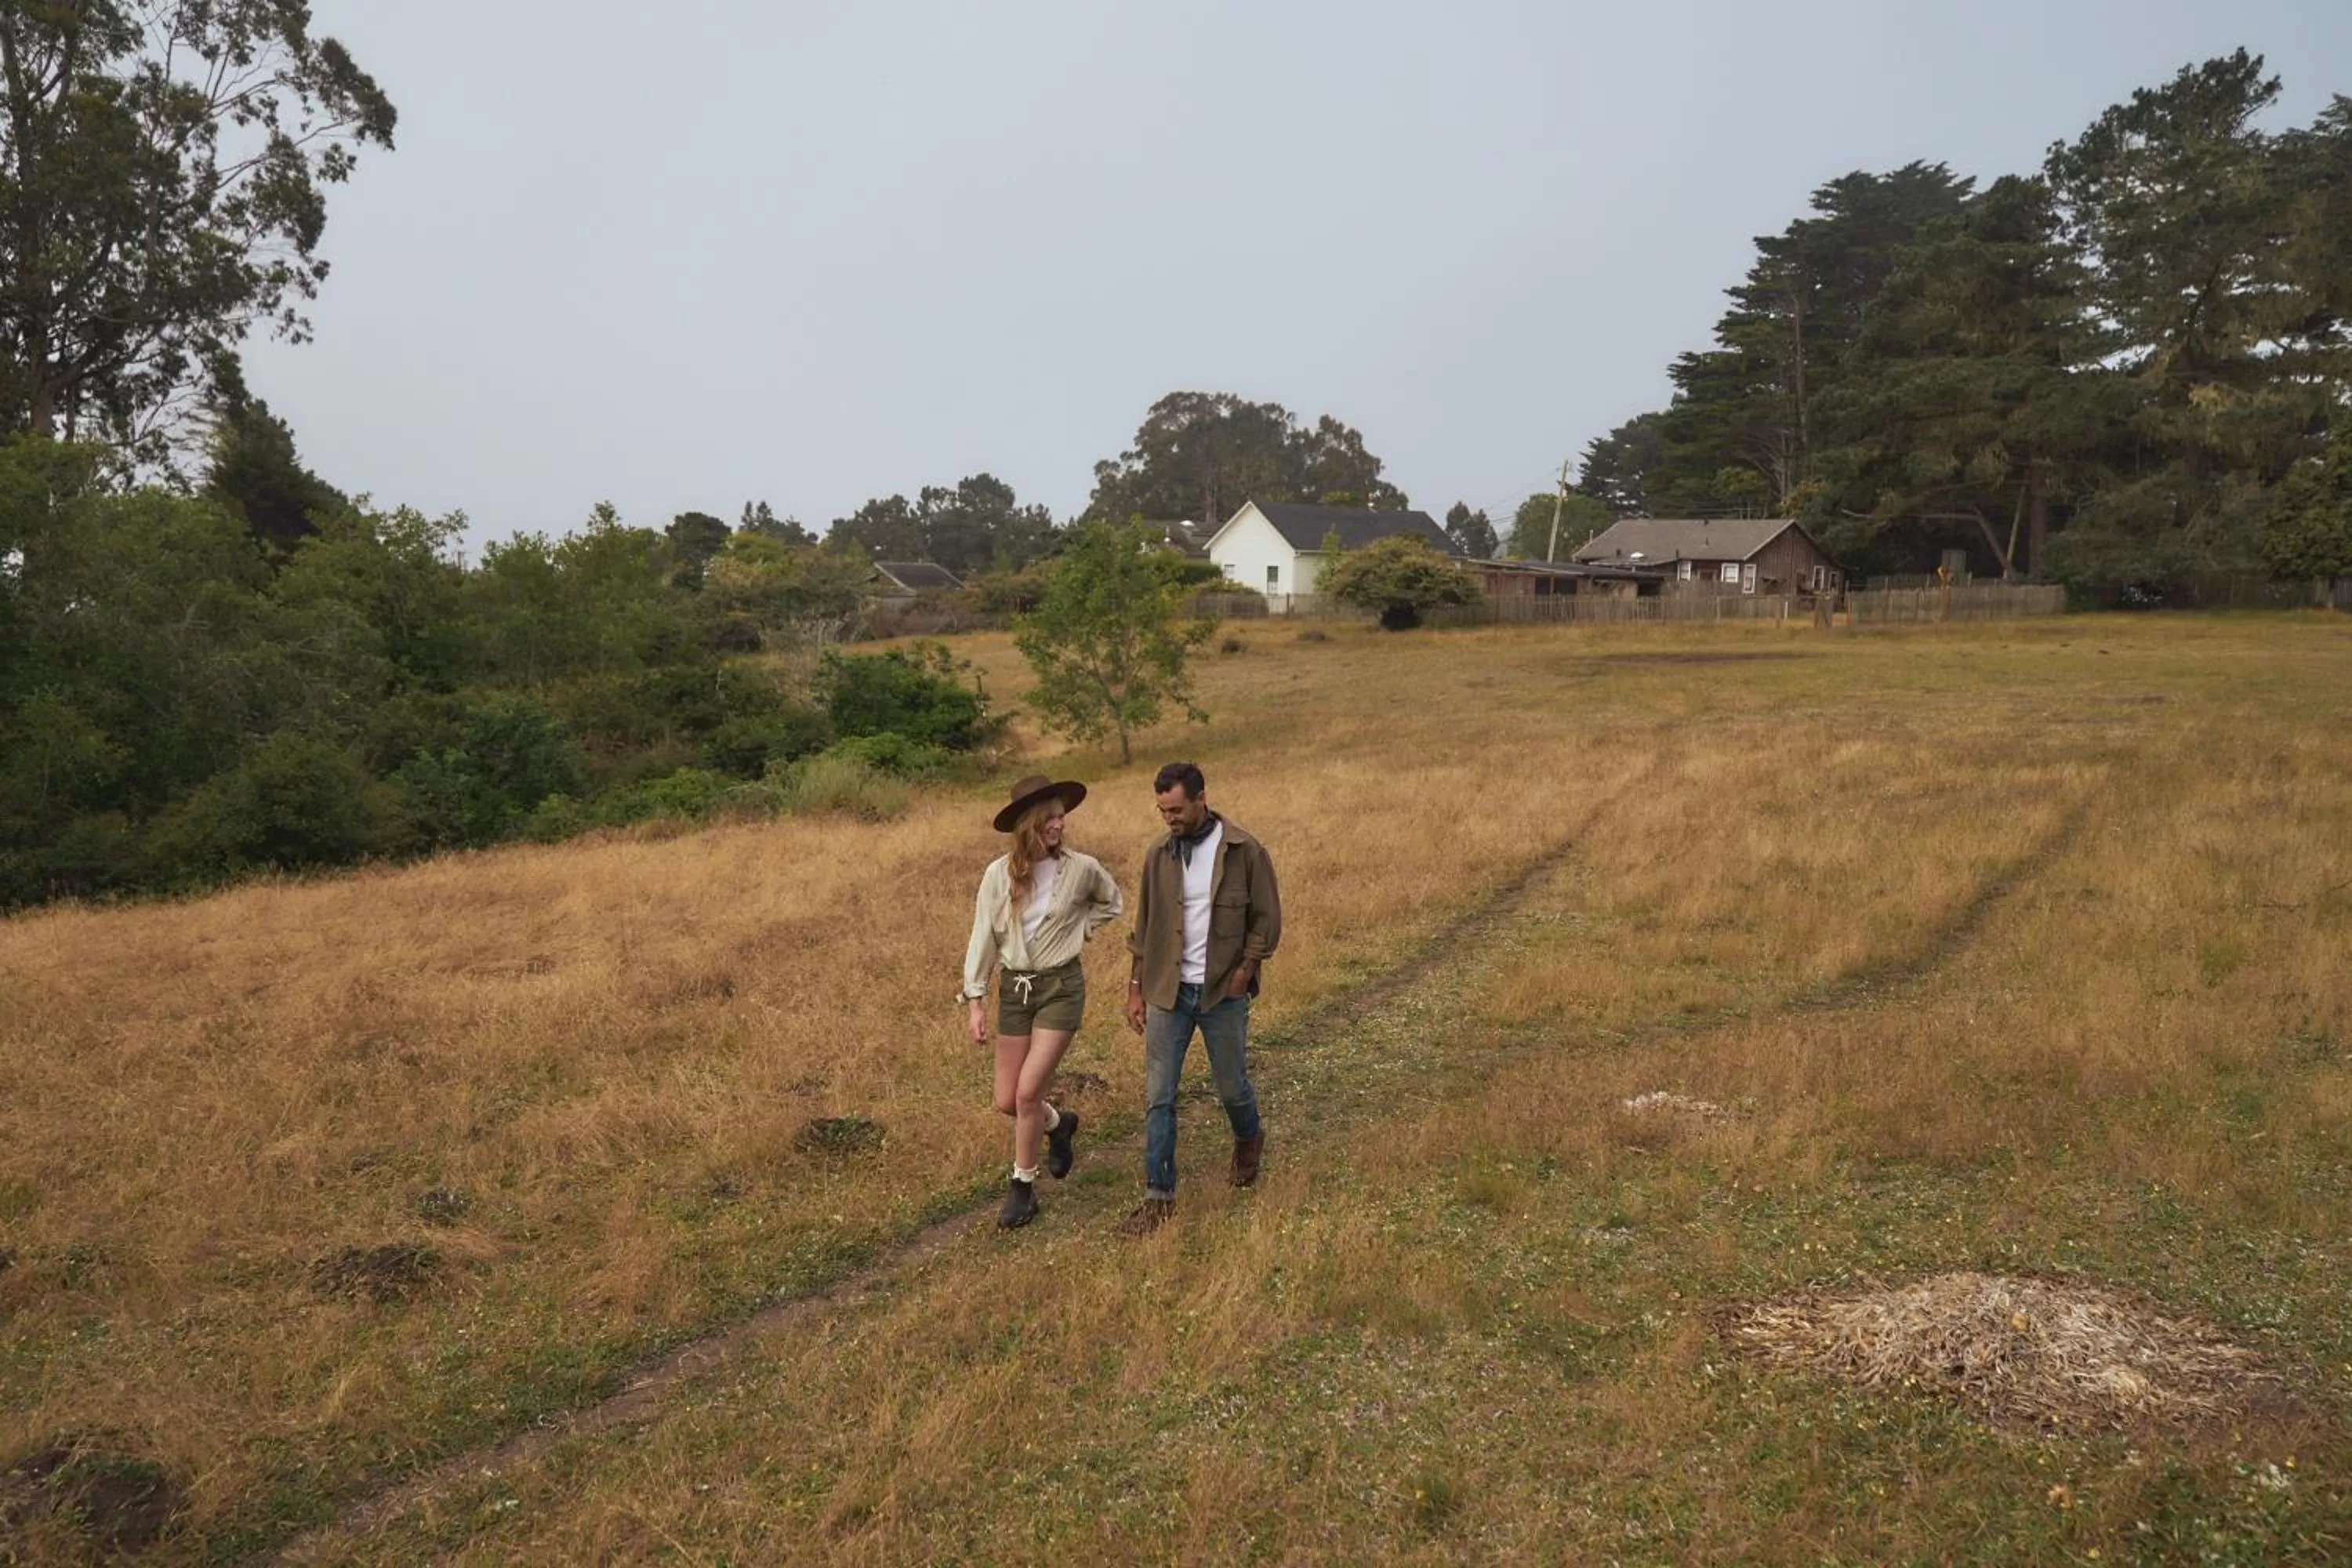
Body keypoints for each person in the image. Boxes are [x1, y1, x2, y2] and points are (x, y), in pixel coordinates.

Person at [1120, 760, 1282, 1236]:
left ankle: (1249, 1138)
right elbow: (1144, 929)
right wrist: (1135, 990)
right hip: (1167, 992)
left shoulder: (1244, 850)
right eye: (1161, 811)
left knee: (1231, 1086)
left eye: (1175, 809)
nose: (1169, 818)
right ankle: (1159, 1196)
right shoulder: (1158, 855)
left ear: (1200, 798)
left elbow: (1266, 921)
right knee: (1159, 1096)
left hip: (1220, 993)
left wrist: (1245, 971)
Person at [962, 774, 1123, 1229]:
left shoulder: (1081, 868)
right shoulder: (998, 875)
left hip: (1060, 988)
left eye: (1062, 816)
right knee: (1006, 1101)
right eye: (1050, 818)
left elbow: (1112, 902)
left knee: (1028, 1091)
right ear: (1030, 824)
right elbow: (984, 938)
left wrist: (1080, 930)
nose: (1060, 825)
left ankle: (1022, 1188)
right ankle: (1059, 1124)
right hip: (1016, 990)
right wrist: (975, 1000)